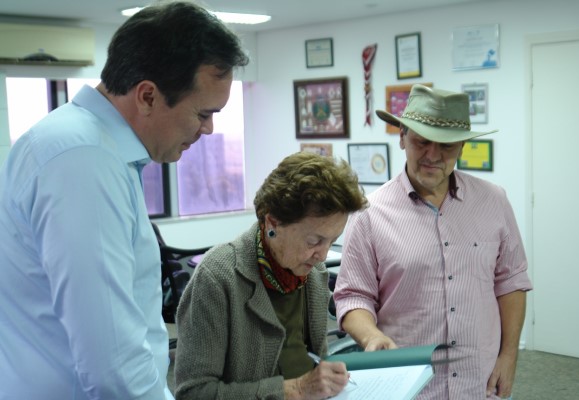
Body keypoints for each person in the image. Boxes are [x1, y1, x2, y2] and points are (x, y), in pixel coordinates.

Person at [0, 2, 248, 399]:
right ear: (147, 95)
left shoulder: (87, 145)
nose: (209, 129)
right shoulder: (85, 159)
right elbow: (111, 361)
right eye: (203, 113)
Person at [333, 84, 533, 400]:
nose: (433, 155)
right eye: (422, 142)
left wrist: (509, 357)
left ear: (462, 146)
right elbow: (352, 296)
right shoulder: (369, 215)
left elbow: (511, 282)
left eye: (446, 146)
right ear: (402, 137)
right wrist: (371, 335)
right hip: (409, 385)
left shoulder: (494, 202)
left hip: (479, 381)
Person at [174, 152, 369, 399]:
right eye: (314, 240)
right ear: (272, 224)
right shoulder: (218, 277)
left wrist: (326, 378)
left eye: (332, 241)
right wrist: (294, 390)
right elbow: (192, 393)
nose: (322, 255)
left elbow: (311, 358)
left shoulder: (313, 276)